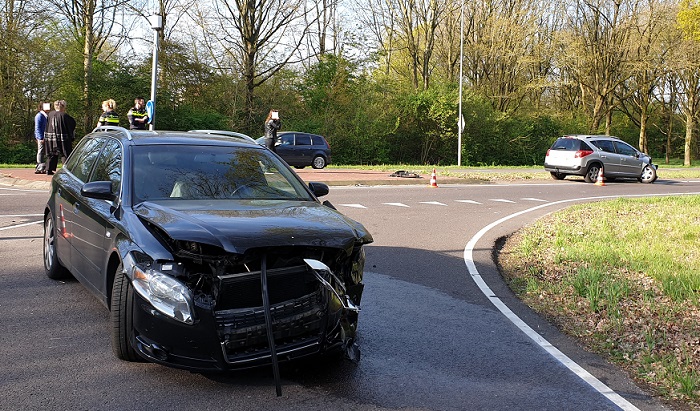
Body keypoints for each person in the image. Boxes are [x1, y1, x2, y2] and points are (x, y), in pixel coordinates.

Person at [43, 100, 76, 175]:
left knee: (51, 153)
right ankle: (66, 170)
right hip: (63, 138)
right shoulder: (65, 116)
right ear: (63, 107)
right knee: (65, 153)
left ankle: (48, 169)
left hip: (50, 138)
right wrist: (71, 136)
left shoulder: (50, 114)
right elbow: (72, 124)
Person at [34, 102, 51, 173]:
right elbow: (37, 127)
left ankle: (44, 167)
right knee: (41, 151)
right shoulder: (39, 116)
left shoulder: (46, 115)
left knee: (45, 151)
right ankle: (39, 166)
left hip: (46, 136)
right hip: (42, 137)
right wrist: (40, 138)